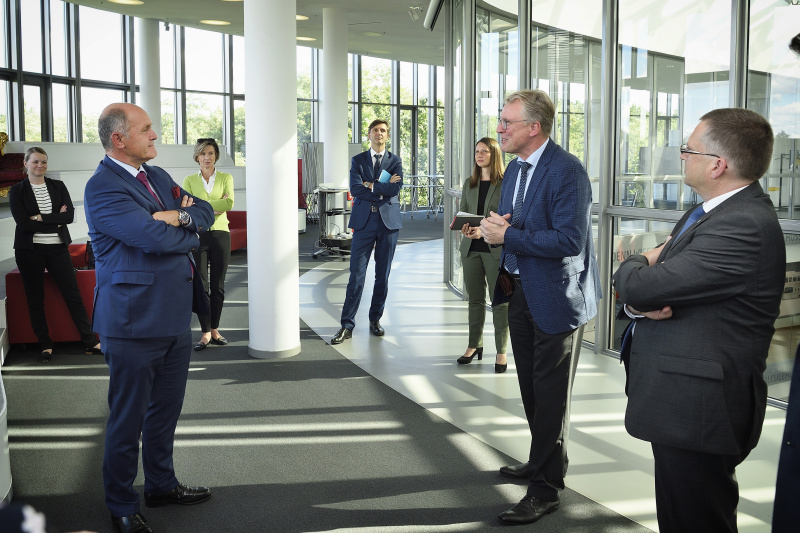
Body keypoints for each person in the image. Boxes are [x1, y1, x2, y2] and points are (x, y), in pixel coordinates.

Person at [613, 108, 784, 533]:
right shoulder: (710, 212)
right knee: (679, 514)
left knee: (698, 519)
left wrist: (638, 261)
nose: (681, 157)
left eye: (689, 149)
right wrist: (641, 295)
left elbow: (640, 286)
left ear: (718, 164)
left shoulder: (742, 224)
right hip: (682, 400)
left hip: (700, 409)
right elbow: (649, 295)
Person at [84, 103, 214, 533]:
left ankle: (161, 484)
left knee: (165, 412)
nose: (155, 135)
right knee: (128, 419)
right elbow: (152, 239)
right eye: (146, 130)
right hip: (132, 322)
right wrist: (182, 229)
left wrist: (177, 216)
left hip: (175, 319)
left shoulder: (156, 177)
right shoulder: (102, 188)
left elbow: (206, 214)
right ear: (119, 139)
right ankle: (121, 504)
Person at [480, 89, 601, 526]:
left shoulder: (568, 171)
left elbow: (570, 241)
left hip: (558, 299)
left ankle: (545, 490)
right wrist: (501, 226)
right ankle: (540, 462)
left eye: (507, 122)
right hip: (521, 291)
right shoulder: (514, 169)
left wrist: (506, 236)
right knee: (533, 390)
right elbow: (521, 221)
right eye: (500, 120)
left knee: (551, 399)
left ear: (534, 127)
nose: (499, 129)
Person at [9, 147, 102, 362]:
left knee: (73, 295)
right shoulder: (17, 191)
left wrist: (39, 218)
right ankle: (45, 344)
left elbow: (69, 216)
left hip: (58, 249)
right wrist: (54, 219)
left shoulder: (57, 186)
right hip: (29, 252)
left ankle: (89, 341)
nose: (40, 166)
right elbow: (23, 224)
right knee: (35, 299)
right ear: (26, 163)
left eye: (43, 162)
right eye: (35, 162)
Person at [331, 119, 403, 344]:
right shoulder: (358, 160)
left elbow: (396, 188)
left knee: (382, 275)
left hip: (388, 223)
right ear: (369, 135)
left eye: (383, 131)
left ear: (387, 136)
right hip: (363, 223)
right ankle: (347, 325)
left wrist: (370, 186)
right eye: (375, 130)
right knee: (356, 275)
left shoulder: (395, 161)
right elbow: (354, 189)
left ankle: (375, 319)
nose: (379, 134)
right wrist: (381, 189)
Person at [457, 137, 509, 372]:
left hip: (494, 249)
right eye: (477, 151)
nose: (479, 155)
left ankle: (501, 352)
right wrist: (466, 228)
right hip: (471, 249)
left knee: (500, 302)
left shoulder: (506, 183)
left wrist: (483, 230)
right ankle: (473, 345)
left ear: (494, 154)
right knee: (475, 300)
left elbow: (509, 216)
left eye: (484, 152)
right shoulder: (470, 182)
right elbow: (464, 213)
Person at [182, 138, 234, 351]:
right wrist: (213, 207)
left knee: (218, 285)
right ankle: (205, 332)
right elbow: (187, 207)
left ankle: (215, 329)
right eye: (203, 154)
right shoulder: (189, 180)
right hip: (198, 235)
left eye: (211, 153)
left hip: (221, 234)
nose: (207, 158)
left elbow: (229, 203)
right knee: (201, 285)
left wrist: (201, 206)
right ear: (197, 156)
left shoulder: (225, 177)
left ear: (215, 157)